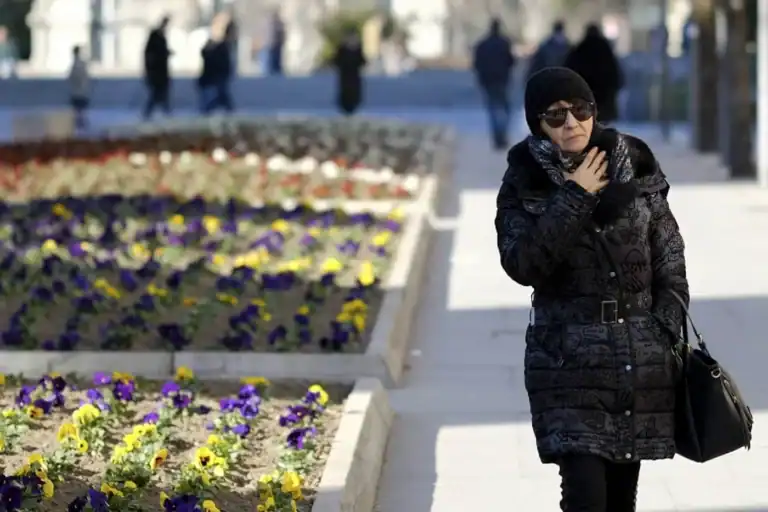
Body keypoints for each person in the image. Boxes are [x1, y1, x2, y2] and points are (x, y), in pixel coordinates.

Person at [494, 67, 688, 512]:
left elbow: (670, 255)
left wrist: (664, 326)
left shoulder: (635, 163)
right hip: (567, 361)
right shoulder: (525, 180)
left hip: (636, 360)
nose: (572, 123)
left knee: (621, 499)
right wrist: (575, 196)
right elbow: (523, 263)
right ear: (536, 124)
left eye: (581, 110)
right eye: (556, 116)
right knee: (585, 496)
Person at [564, 24, 624, 123]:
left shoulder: (580, 48)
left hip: (585, 92)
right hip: (604, 93)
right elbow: (614, 70)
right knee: (603, 120)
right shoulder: (605, 49)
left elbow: (569, 69)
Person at [473, 18, 516, 150]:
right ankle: (501, 134)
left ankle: (497, 135)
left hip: (488, 80)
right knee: (505, 109)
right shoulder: (504, 43)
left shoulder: (482, 44)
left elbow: (477, 63)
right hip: (502, 79)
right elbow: (511, 61)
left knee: (493, 108)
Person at [198, 13, 235, 114]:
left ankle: (217, 108)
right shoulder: (215, 44)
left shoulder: (222, 45)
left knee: (219, 96)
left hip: (217, 75)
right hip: (214, 75)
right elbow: (206, 55)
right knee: (218, 96)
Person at [143, 16, 173, 119]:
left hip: (161, 70)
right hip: (156, 71)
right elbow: (151, 53)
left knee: (162, 93)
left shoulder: (161, 36)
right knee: (157, 93)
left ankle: (165, 111)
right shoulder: (156, 36)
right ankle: (151, 112)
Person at [333, 30, 367, 116]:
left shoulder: (358, 49)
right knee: (346, 93)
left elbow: (362, 61)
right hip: (345, 76)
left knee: (354, 93)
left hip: (354, 76)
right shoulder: (342, 49)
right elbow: (336, 61)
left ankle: (353, 108)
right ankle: (345, 108)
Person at [68, 46, 90, 131]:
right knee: (80, 109)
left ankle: (80, 122)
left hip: (78, 90)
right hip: (81, 90)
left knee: (79, 109)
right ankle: (81, 122)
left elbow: (72, 77)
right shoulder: (81, 64)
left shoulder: (76, 64)